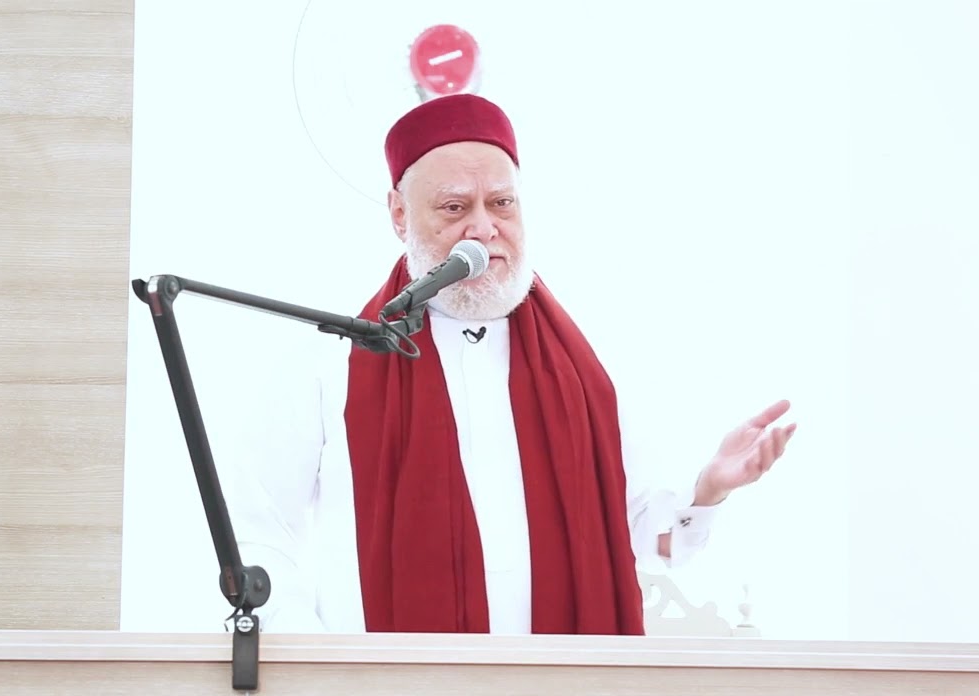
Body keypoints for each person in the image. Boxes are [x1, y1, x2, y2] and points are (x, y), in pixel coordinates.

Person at [233, 93, 796, 635]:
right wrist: (316, 665)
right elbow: (260, 535)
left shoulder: (590, 371)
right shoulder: (332, 365)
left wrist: (708, 490)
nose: (483, 229)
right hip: (389, 687)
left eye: (501, 204)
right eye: (455, 208)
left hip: (561, 685)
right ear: (400, 215)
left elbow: (654, 537)